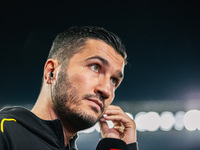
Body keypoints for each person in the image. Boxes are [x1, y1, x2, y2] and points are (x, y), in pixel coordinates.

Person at [0, 26, 138, 150]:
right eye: (95, 67)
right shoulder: (5, 132)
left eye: (114, 81)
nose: (106, 90)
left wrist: (125, 147)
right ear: (51, 72)